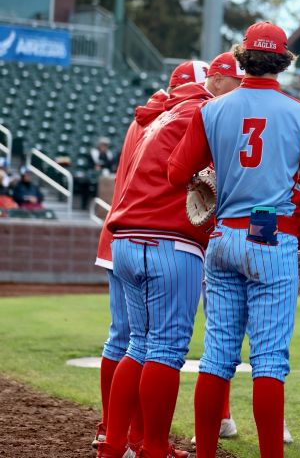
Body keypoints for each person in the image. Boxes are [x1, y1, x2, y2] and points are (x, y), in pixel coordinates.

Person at [169, 22, 300, 458]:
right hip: (271, 234)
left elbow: (174, 172)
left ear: (242, 57)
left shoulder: (213, 108)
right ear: (283, 61)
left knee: (217, 358)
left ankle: (205, 453)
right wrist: (297, 229)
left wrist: (212, 176)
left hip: (224, 235)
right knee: (269, 363)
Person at [96, 63, 215, 458]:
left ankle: (113, 444)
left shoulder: (157, 114)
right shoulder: (205, 112)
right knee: (164, 350)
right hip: (170, 240)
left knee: (136, 345)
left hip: (125, 239)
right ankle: (155, 447)